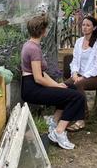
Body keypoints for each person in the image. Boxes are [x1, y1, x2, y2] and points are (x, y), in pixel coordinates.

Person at [21, 14, 86, 150]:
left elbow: (42, 73)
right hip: (32, 89)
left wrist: (58, 85)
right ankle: (59, 132)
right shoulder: (33, 49)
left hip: (33, 85)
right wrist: (56, 86)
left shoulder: (31, 45)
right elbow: (38, 77)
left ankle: (54, 121)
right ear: (43, 31)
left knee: (72, 88)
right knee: (77, 97)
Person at [64, 16, 97, 131]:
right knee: (65, 85)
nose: (84, 27)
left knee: (79, 84)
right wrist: (74, 73)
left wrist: (83, 77)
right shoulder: (79, 41)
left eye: (88, 25)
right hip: (80, 75)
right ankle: (64, 116)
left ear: (94, 27)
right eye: (83, 25)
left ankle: (81, 118)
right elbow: (74, 61)